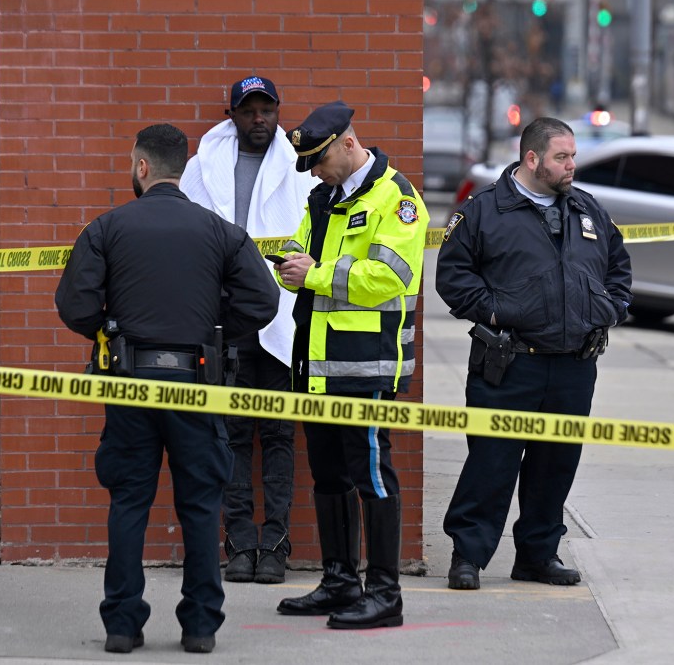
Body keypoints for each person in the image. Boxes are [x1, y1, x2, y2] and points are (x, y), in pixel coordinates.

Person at [55, 124, 278, 655]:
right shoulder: (219, 231)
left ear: (140, 167)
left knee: (129, 502)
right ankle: (200, 626)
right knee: (201, 505)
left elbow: (75, 305)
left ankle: (121, 625)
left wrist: (108, 328)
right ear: (183, 168)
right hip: (196, 386)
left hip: (130, 383)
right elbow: (263, 299)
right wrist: (212, 325)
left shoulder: (107, 227)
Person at [434, 117, 632, 591]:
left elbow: (618, 269)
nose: (571, 166)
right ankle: (468, 556)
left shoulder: (587, 210)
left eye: (573, 156)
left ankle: (538, 556)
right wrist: (499, 311)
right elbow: (453, 277)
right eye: (562, 157)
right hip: (509, 363)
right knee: (491, 462)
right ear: (532, 159)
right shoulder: (483, 210)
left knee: (555, 464)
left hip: (574, 365)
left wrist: (608, 309)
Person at [272, 101, 428, 630]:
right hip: (317, 364)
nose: (314, 171)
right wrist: (290, 267)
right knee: (329, 476)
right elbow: (298, 249)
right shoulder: (323, 198)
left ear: (348, 143)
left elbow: (388, 277)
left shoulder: (398, 199)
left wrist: (313, 274)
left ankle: (385, 593)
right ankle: (340, 580)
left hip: (366, 365)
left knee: (372, 478)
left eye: (319, 160)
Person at [179, 75, 314, 584]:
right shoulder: (205, 167)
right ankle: (238, 544)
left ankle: (276, 546)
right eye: (249, 110)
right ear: (233, 114)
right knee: (231, 435)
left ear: (278, 112)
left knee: (279, 435)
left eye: (267, 109)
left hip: (281, 321)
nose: (260, 119)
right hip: (227, 322)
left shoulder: (298, 167)